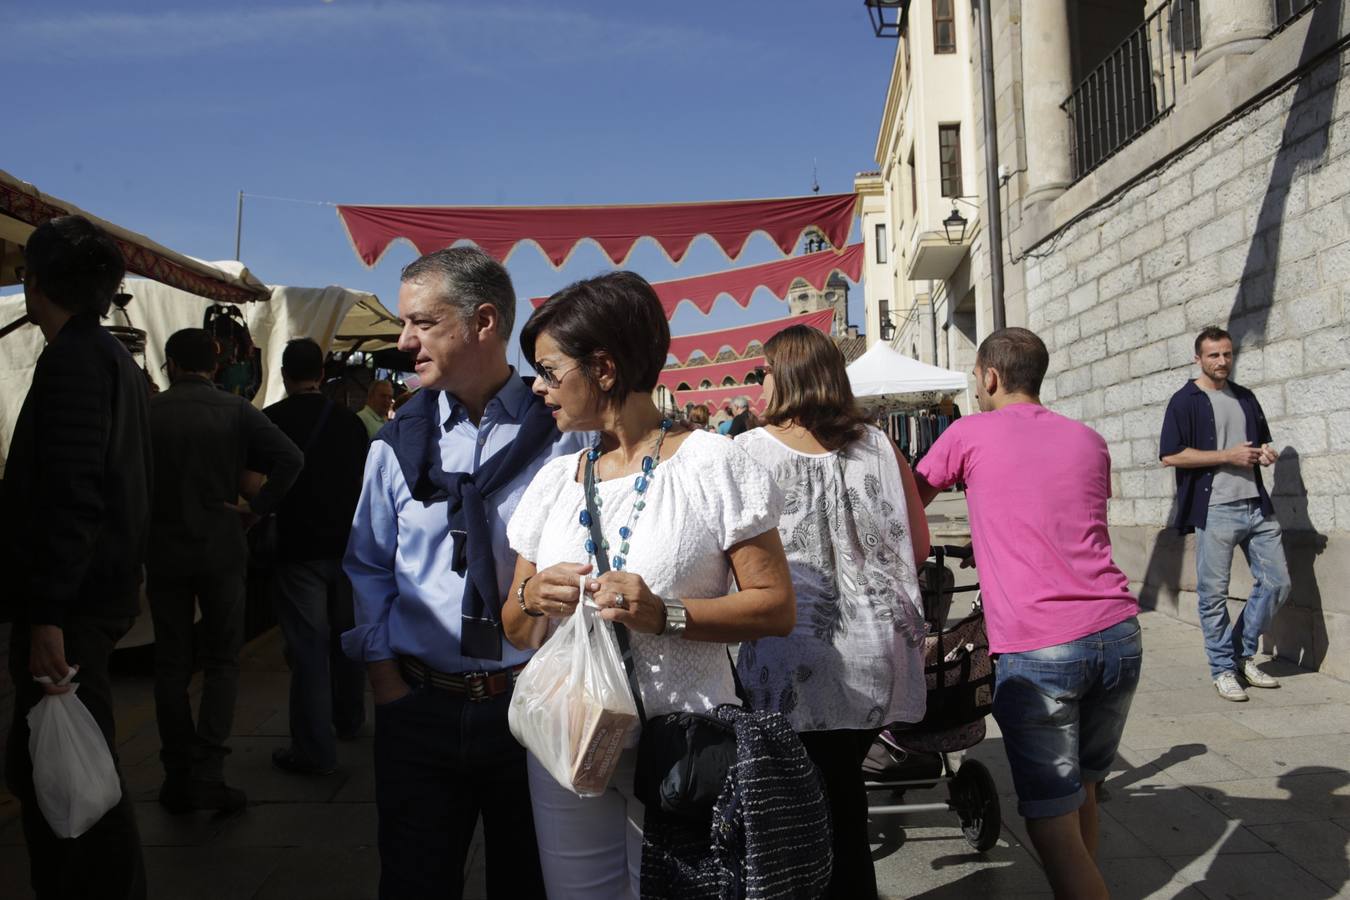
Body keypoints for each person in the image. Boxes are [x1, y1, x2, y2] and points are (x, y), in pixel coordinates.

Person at [502, 271, 796, 899]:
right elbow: (515, 626)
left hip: (682, 751)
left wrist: (667, 614)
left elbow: (775, 607)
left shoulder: (712, 462)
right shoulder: (554, 481)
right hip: (568, 743)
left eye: (551, 371)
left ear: (603, 368)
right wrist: (532, 598)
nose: (538, 387)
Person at [342, 247, 585, 900]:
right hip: (419, 709)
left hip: (532, 710)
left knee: (533, 883)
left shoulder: (565, 435)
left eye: (421, 322)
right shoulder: (396, 444)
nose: (403, 340)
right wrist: (386, 683)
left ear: (482, 322)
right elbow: (368, 567)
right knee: (415, 881)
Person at [913, 327, 1140, 900]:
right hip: (1117, 633)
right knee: (1084, 788)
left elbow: (909, 505)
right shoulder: (1088, 439)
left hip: (1041, 647)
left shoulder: (967, 432)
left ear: (990, 377)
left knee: (1047, 820)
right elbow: (1060, 520)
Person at [733, 325, 930, 900]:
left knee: (797, 816)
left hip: (790, 651)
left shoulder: (746, 451)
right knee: (846, 800)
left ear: (787, 376)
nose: (759, 383)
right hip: (874, 651)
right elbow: (916, 546)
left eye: (763, 371)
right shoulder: (880, 445)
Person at [2, 215, 151, 899]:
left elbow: (71, 493)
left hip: (74, 605)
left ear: (36, 281)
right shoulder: (111, 358)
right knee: (68, 759)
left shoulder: (73, 361)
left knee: (68, 776)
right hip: (100, 594)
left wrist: (47, 614)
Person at [148, 328, 304, 813]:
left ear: (170, 363)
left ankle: (177, 771)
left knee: (170, 663)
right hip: (221, 546)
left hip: (163, 549)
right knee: (221, 662)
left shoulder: (147, 412)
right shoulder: (236, 411)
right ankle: (210, 771)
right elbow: (291, 458)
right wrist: (259, 506)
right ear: (215, 367)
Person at [1159, 326, 1288, 702]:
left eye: (1227, 354)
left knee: (1277, 582)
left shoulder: (1245, 397)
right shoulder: (1184, 401)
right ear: (1198, 358)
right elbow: (1171, 455)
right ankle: (1223, 668)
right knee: (1213, 595)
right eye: (1213, 355)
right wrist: (1226, 456)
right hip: (1215, 509)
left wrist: (1266, 453)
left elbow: (1263, 442)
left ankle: (1241, 654)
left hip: (1256, 505)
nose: (1222, 361)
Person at [262, 338, 370, 775]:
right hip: (347, 546)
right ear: (322, 374)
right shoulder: (351, 423)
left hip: (297, 548)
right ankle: (349, 719)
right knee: (346, 640)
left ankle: (312, 749)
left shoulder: (270, 421)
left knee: (308, 648)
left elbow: (255, 483)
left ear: (285, 375)